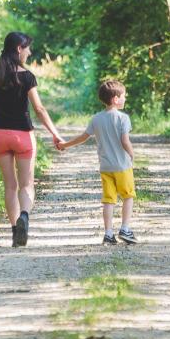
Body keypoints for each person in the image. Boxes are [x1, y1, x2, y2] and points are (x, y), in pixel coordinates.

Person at [0, 31, 62, 247]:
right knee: (27, 185)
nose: (29, 52)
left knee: (10, 186)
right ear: (19, 49)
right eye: (27, 48)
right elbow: (39, 108)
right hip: (23, 135)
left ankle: (13, 232)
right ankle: (24, 217)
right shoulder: (27, 77)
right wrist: (55, 134)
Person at [58, 79, 137, 246]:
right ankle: (125, 229)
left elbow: (83, 137)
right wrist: (131, 154)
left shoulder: (96, 119)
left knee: (109, 200)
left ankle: (108, 233)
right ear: (115, 99)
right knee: (128, 196)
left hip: (105, 167)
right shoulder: (123, 118)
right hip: (122, 166)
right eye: (123, 96)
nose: (125, 99)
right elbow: (125, 140)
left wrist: (65, 145)